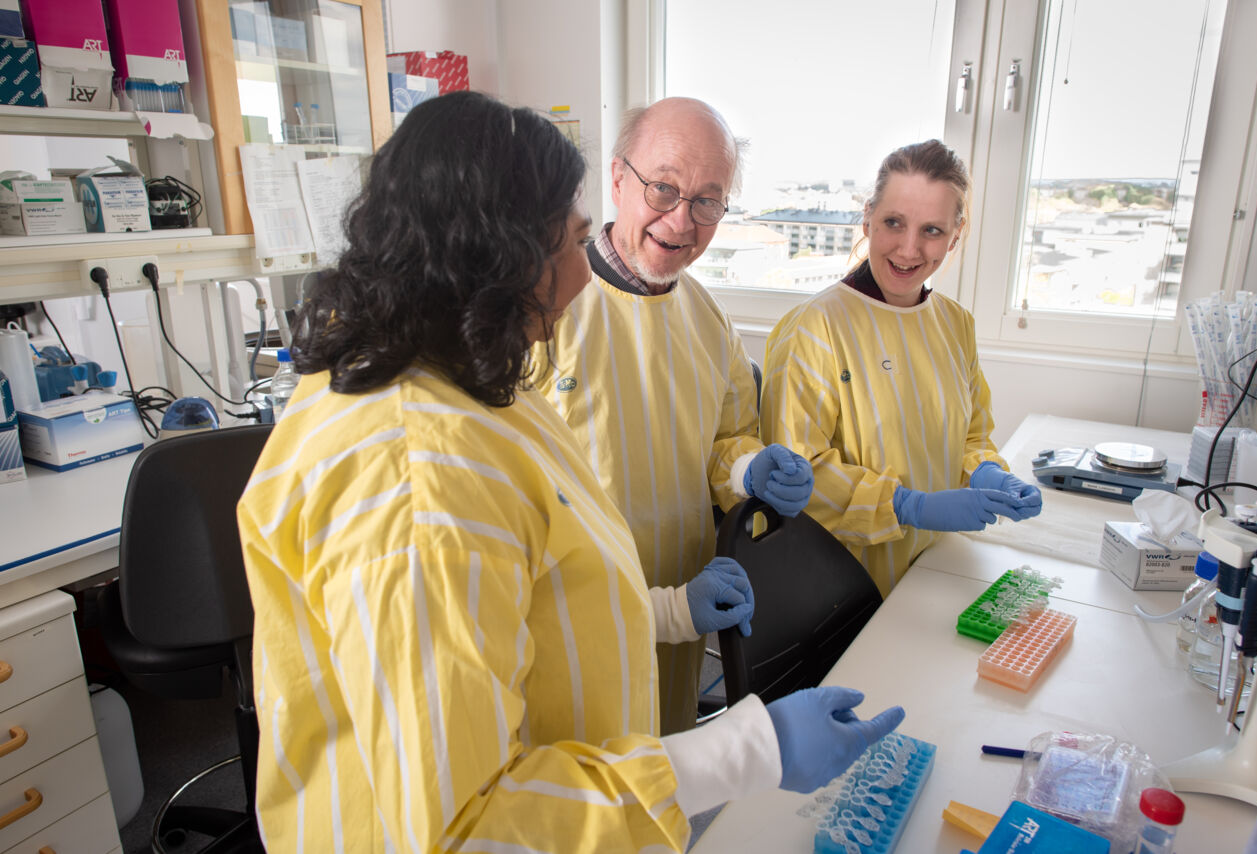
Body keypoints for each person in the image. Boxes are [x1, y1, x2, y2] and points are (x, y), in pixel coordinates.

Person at [237, 91, 903, 852]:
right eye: (566, 243)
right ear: (489, 253)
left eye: (709, 201)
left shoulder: (470, 379)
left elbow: (557, 571)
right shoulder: (418, 487)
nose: (580, 274)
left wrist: (732, 500)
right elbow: (464, 829)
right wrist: (749, 750)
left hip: (596, 766)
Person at [528, 97, 814, 734]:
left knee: (669, 777)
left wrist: (751, 469)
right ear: (618, 179)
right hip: (570, 615)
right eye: (664, 188)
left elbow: (727, 439)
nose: (681, 220)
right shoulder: (545, 310)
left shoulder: (707, 318)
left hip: (688, 602)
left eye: (707, 201)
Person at [760, 139, 1042, 597]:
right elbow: (795, 476)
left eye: (932, 230)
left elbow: (971, 437)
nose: (909, 250)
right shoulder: (814, 329)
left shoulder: (954, 324)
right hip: (841, 586)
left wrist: (989, 473)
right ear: (868, 217)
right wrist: (907, 506)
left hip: (936, 567)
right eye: (894, 222)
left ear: (957, 234)